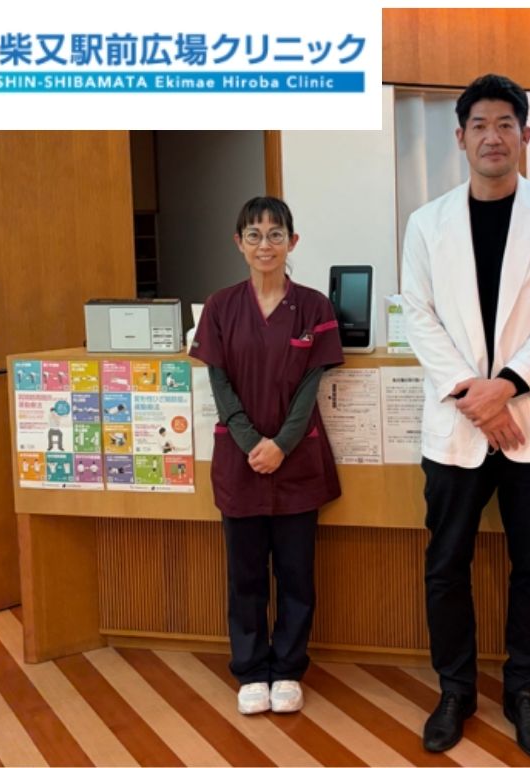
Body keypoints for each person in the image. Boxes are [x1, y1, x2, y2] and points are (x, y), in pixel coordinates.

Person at [401, 74, 530, 759]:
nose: (492, 136)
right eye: (479, 124)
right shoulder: (426, 223)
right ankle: (455, 691)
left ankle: (524, 693)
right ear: (460, 137)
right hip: (459, 425)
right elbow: (417, 315)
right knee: (446, 563)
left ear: (525, 135)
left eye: (506, 124)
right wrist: (473, 395)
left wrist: (504, 387)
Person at [190, 196, 344, 716]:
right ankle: (252, 670)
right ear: (239, 243)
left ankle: (289, 668)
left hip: (296, 461)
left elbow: (310, 387)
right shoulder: (220, 307)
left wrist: (281, 445)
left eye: (276, 234)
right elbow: (220, 384)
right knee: (246, 576)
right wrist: (251, 441)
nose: (265, 245)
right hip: (241, 462)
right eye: (254, 235)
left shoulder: (315, 307)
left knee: (297, 575)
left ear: (292, 242)